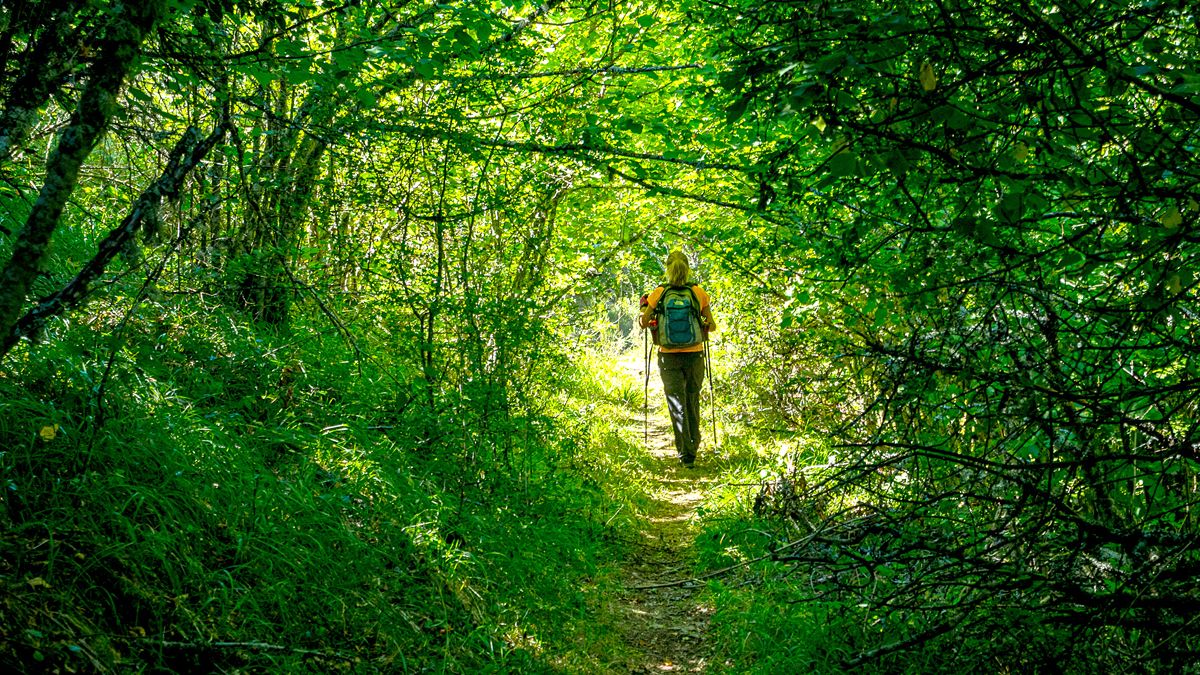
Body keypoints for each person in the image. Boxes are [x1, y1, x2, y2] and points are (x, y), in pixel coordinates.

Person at [639, 251, 717, 468]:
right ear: (687, 268)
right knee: (692, 400)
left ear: (668, 268)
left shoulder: (659, 293)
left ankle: (685, 454)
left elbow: (645, 322)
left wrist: (645, 312)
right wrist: (702, 323)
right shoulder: (698, 292)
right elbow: (712, 325)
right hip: (695, 355)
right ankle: (693, 446)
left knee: (676, 402)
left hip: (668, 357)